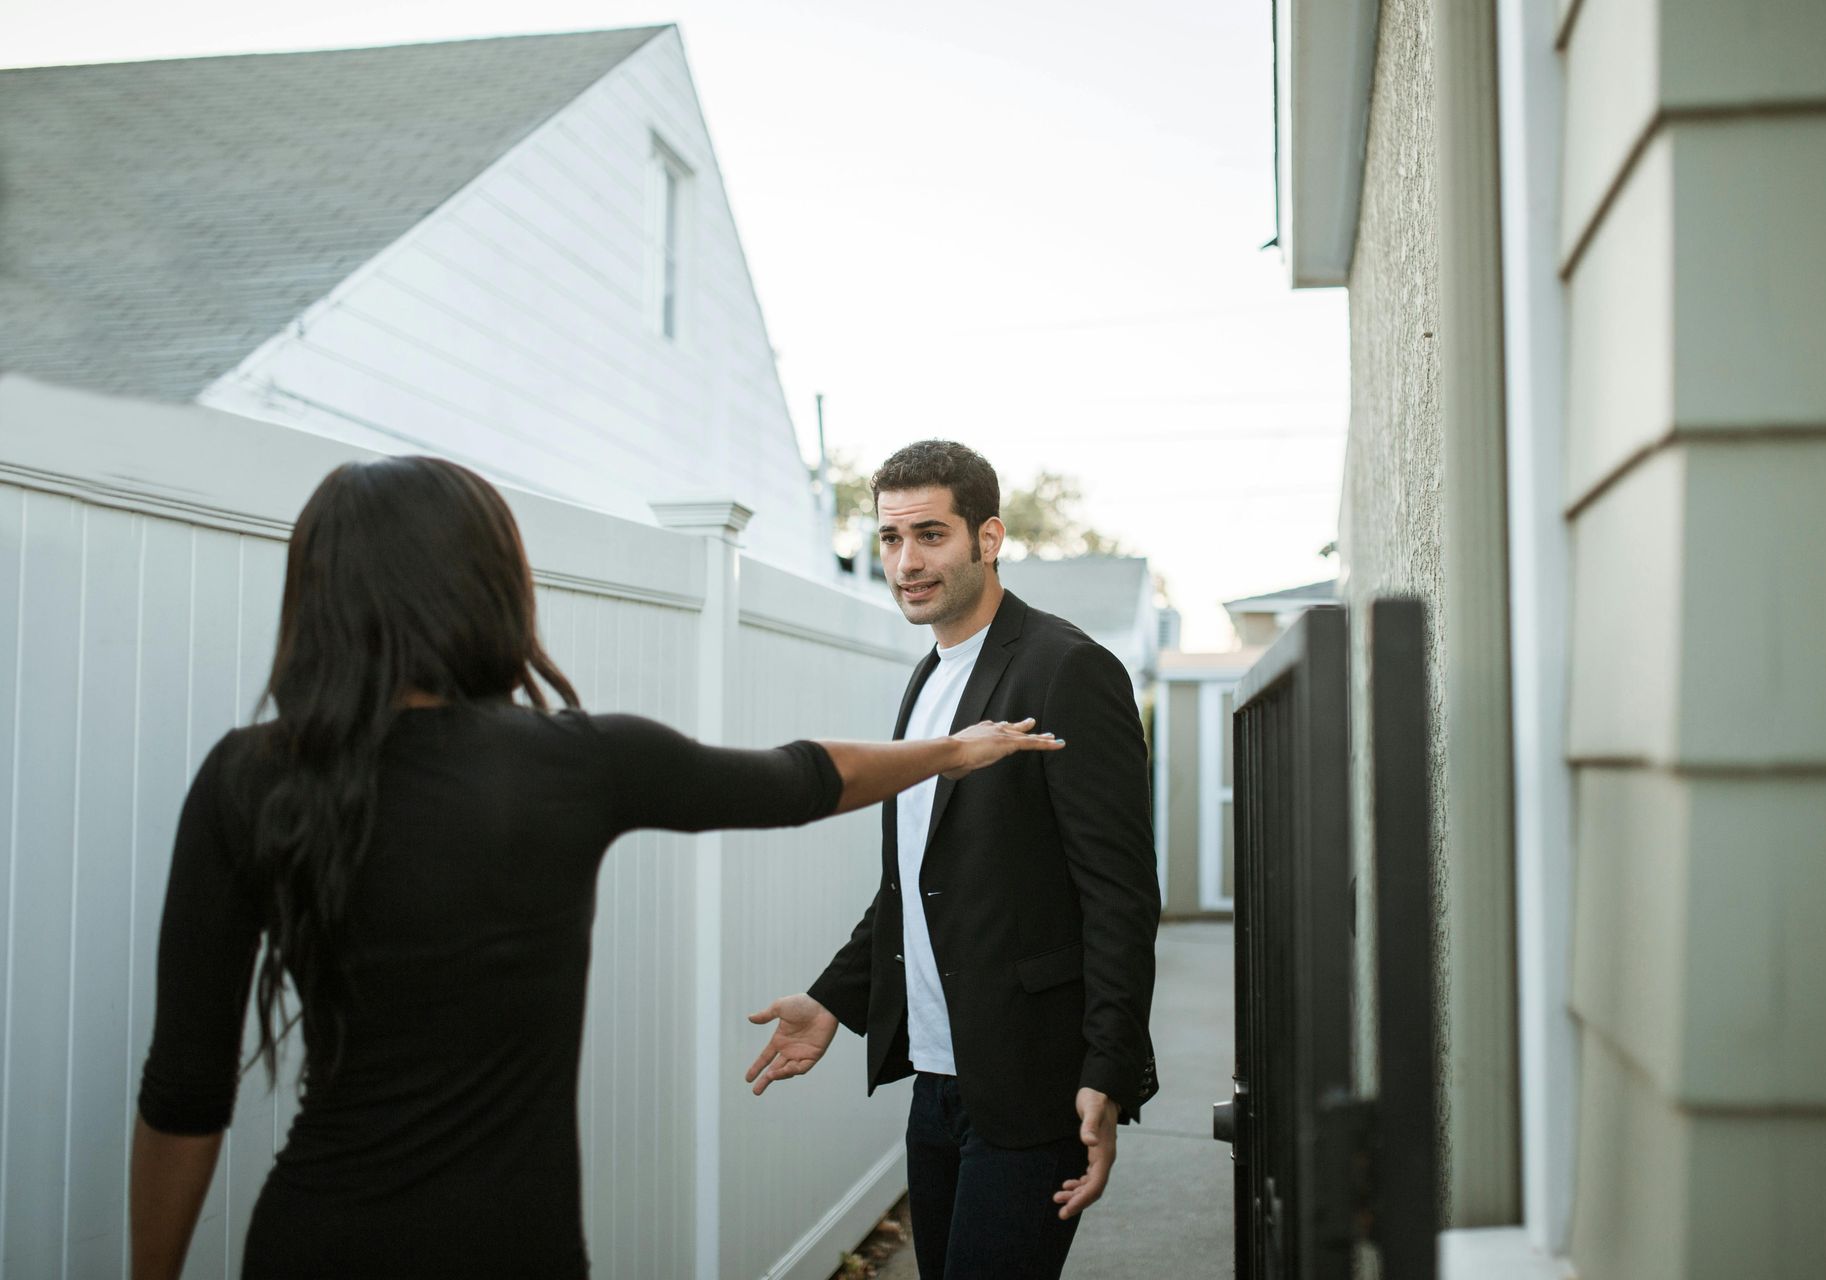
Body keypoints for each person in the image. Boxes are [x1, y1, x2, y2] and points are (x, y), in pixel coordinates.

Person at [128, 456, 1062, 1280]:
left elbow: (183, 1092)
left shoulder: (248, 778)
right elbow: (802, 776)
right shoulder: (570, 761)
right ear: (486, 586)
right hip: (510, 1246)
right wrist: (949, 752)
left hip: (313, 1236)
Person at [745, 440, 1160, 1280]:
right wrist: (835, 998)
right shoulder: (928, 678)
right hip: (935, 1079)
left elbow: (1119, 891)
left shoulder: (1067, 668)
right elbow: (915, 879)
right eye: (891, 540)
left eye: (930, 534)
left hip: (1032, 1081)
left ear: (989, 537)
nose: (906, 562)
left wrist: (1107, 1070)